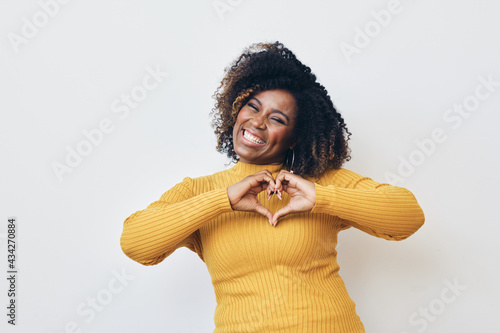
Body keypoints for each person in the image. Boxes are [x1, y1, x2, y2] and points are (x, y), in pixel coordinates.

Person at [120, 41, 425, 332]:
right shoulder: (201, 191)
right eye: (252, 107)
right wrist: (222, 201)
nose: (257, 122)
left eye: (276, 118)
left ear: (295, 137)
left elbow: (408, 216)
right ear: (235, 109)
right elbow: (136, 244)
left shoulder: (317, 182)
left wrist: (320, 197)